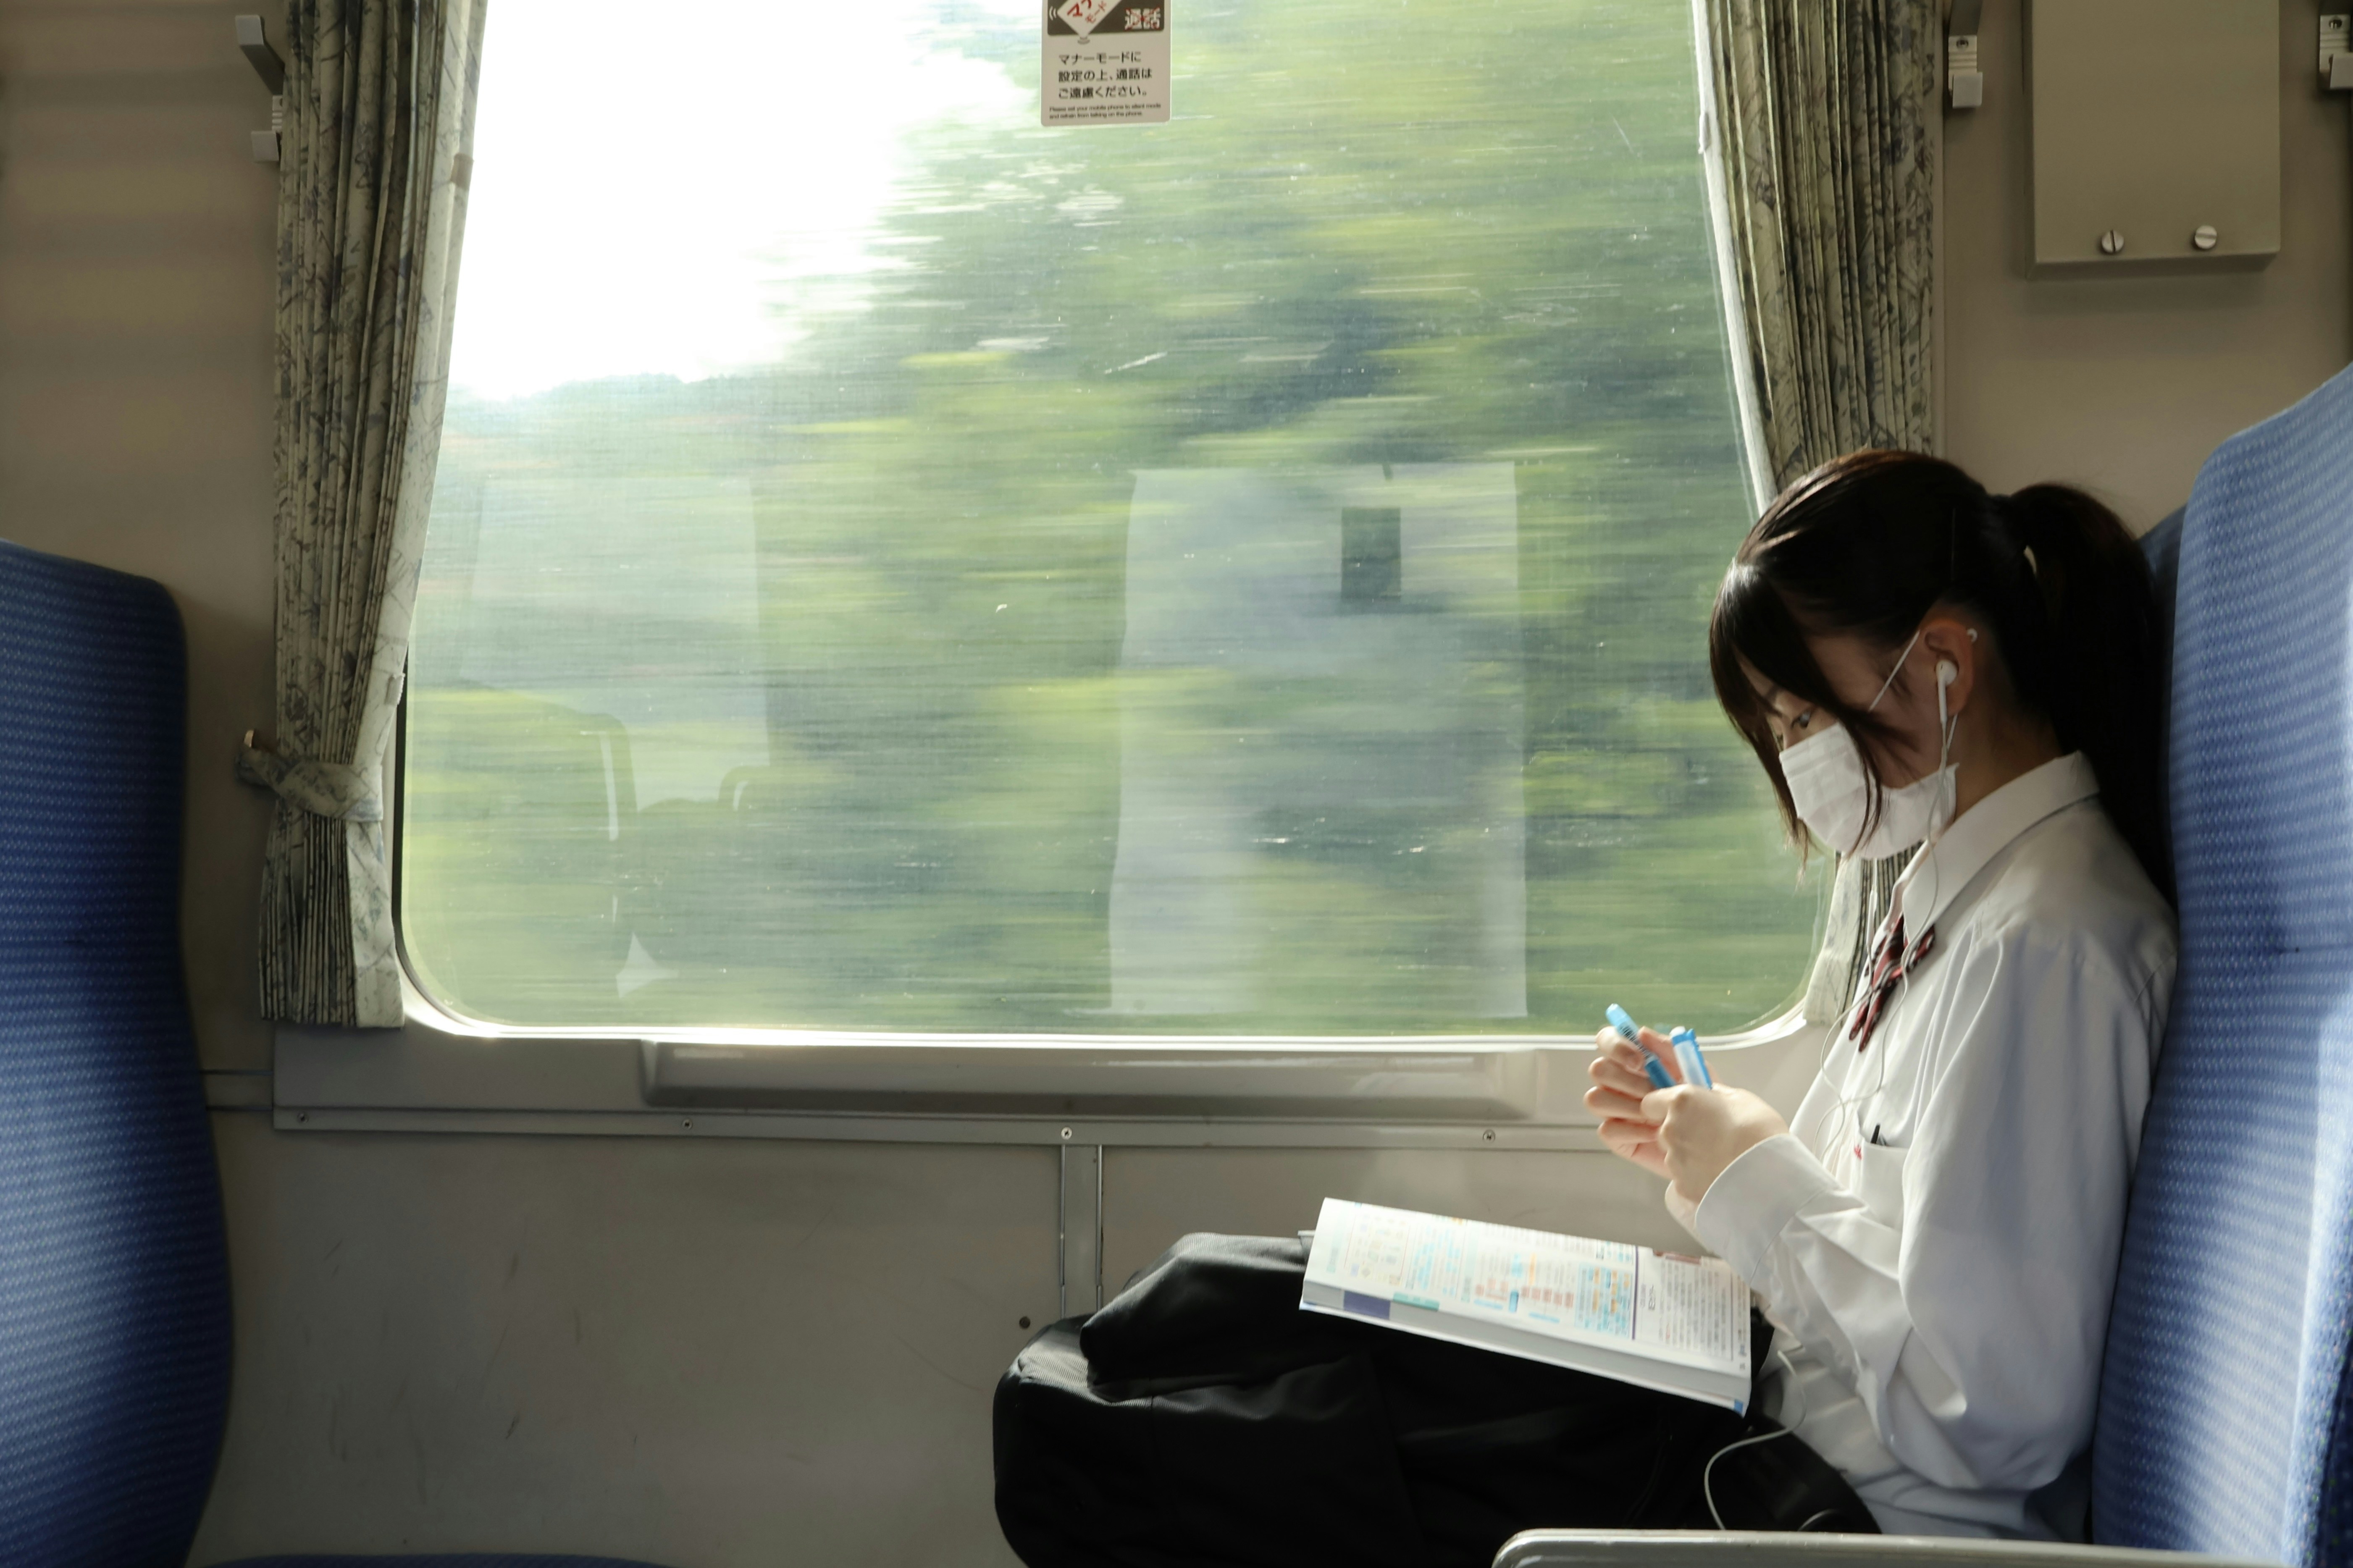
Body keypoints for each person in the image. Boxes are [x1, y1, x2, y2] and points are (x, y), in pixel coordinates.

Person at [993, 450, 2175, 1563]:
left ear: (1941, 666)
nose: (1796, 758)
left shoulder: (2047, 944)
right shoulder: (1954, 901)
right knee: (1236, 1291)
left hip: (1830, 1506)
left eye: (1802, 719)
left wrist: (1747, 1171)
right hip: (1769, 1416)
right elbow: (1882, 1248)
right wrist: (1707, 1140)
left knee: (1166, 1445)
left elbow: (1987, 1416)